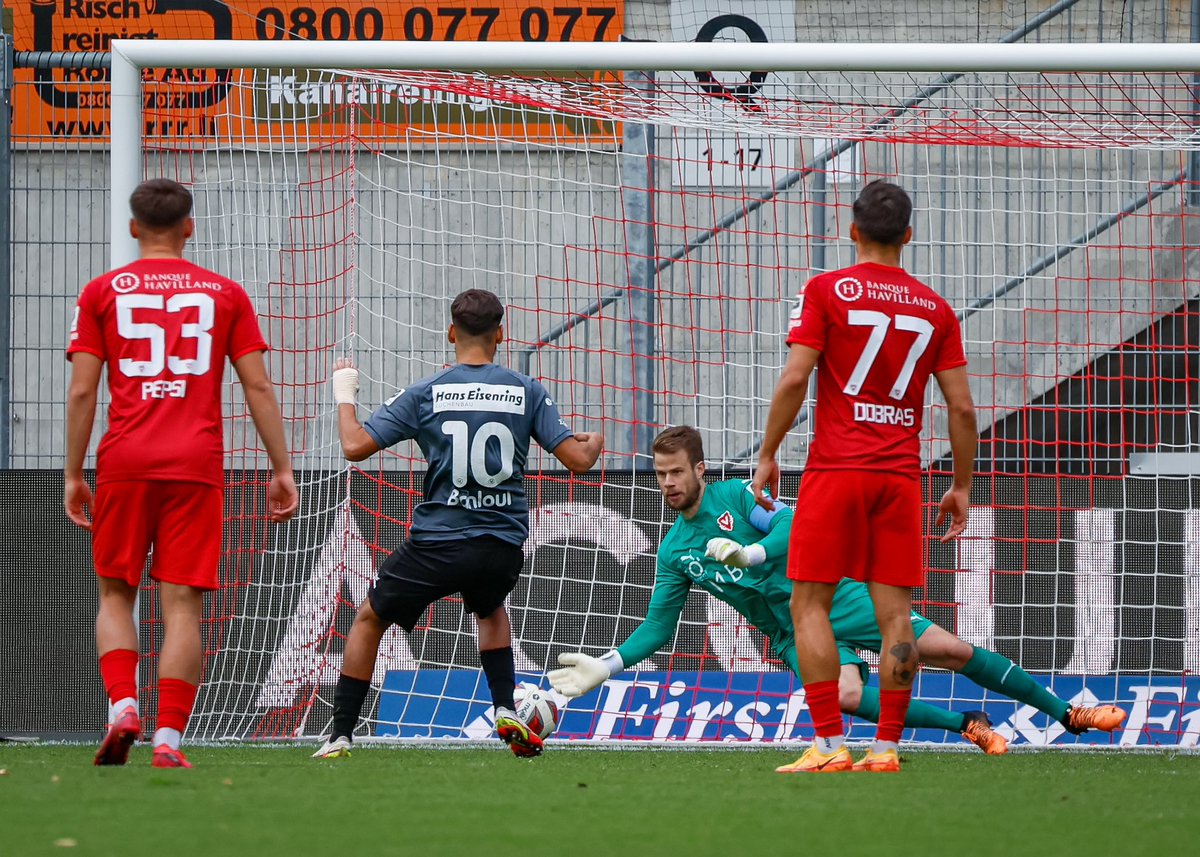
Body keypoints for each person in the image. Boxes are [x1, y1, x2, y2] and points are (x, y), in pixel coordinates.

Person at [548, 426, 1126, 751]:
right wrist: (607, 665)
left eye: (677, 472)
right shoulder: (675, 550)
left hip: (833, 596)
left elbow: (792, 524)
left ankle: (1068, 713)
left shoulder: (737, 498)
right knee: (847, 698)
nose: (668, 483)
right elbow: (659, 627)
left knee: (949, 651)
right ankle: (965, 724)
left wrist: (750, 551)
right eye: (660, 475)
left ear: (701, 470)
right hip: (788, 631)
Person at [65, 178, 299, 769]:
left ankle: (123, 706)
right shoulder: (224, 293)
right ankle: (168, 740)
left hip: (124, 461)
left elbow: (83, 390)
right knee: (183, 608)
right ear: (189, 227)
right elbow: (258, 385)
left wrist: (73, 471)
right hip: (195, 465)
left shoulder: (100, 292)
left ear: (133, 227)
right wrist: (281, 466)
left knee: (117, 593)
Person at [314, 288, 603, 760]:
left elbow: (354, 446)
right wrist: (594, 441)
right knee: (490, 610)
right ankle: (506, 706)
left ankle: (341, 733)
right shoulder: (525, 390)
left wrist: (345, 393)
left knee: (369, 619)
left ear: (451, 333)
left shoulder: (427, 392)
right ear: (501, 336)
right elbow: (578, 460)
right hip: (501, 543)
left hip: (439, 540)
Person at [750, 180, 977, 773]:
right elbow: (962, 409)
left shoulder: (826, 290)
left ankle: (828, 745)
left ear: (852, 230)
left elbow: (797, 378)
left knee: (808, 605)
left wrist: (769, 451)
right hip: (899, 477)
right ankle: (887, 747)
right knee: (895, 617)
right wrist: (961, 485)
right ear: (908, 235)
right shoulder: (937, 309)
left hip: (837, 470)